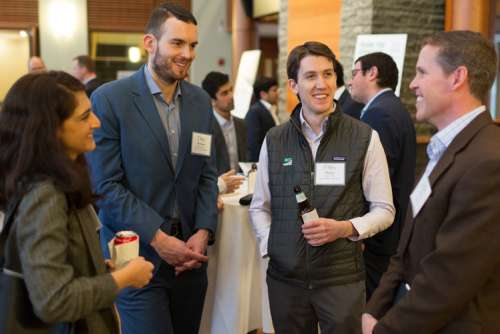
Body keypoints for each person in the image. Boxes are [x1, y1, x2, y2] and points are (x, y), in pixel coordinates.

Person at [86, 3, 218, 334]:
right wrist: (158, 238)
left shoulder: (201, 101)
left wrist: (203, 231)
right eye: (177, 43)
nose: (187, 53)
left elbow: (205, 172)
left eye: (193, 45)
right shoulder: (110, 99)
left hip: (190, 257)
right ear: (150, 43)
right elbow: (105, 185)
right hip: (136, 255)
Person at [249, 41, 395, 334]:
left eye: (328, 74)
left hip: (341, 280)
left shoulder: (365, 137)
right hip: (285, 282)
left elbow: (385, 210)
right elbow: (259, 206)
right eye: (311, 76)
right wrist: (271, 246)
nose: (321, 84)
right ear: (294, 84)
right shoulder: (275, 139)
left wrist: (345, 228)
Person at [362, 30, 500, 334]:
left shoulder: (489, 161)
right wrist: (373, 310)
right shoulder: (446, 147)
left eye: (422, 72)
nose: (412, 84)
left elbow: (450, 277)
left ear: (457, 78)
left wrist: (384, 329)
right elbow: (407, 249)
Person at [0, 71, 153, 333]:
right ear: (50, 128)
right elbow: (53, 301)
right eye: (84, 117)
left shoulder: (60, 180)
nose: (96, 123)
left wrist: (95, 267)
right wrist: (123, 278)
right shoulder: (44, 195)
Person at [349, 52, 416, 300]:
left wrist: (363, 229)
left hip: (379, 234)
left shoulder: (380, 114)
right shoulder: (389, 108)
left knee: (374, 303)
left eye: (355, 73)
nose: (350, 81)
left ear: (372, 73)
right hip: (390, 228)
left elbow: (376, 179)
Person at [201, 71, 246, 194]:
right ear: (212, 100)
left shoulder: (241, 124)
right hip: (218, 193)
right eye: (224, 93)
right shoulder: (204, 128)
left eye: (231, 90)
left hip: (242, 189)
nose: (231, 96)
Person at [245, 76, 279, 161]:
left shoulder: (270, 110)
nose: (277, 93)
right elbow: (253, 144)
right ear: (263, 94)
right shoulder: (255, 112)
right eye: (274, 90)